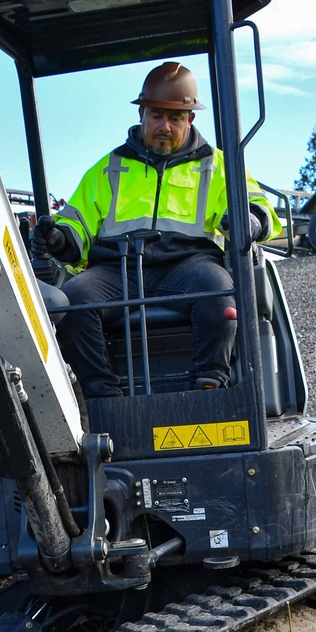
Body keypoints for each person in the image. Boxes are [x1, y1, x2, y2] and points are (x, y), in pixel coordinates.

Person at [30, 62, 281, 398]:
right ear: (142, 115)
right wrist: (60, 238)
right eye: (156, 116)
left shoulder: (218, 165)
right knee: (74, 300)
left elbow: (258, 207)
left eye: (175, 118)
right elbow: (77, 224)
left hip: (188, 267)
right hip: (118, 269)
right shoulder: (108, 169)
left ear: (190, 119)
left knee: (219, 291)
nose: (165, 126)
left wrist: (249, 220)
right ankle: (102, 393)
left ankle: (210, 384)